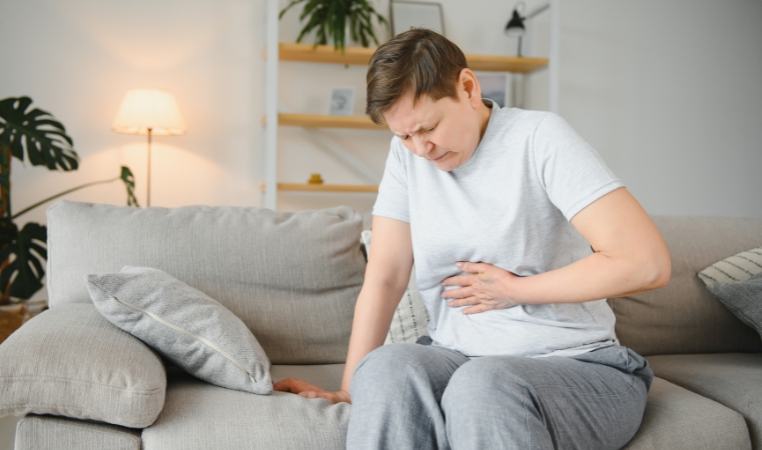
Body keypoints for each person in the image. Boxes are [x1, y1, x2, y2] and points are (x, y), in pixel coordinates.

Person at [273, 28, 671, 450]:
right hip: (458, 357)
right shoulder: (408, 159)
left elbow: (645, 262)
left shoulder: (539, 138)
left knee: (483, 383)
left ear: (467, 87)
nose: (421, 148)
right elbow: (386, 276)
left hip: (578, 365)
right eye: (404, 135)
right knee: (385, 366)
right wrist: (351, 388)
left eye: (429, 127)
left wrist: (515, 289)